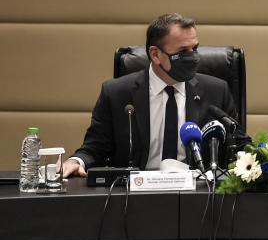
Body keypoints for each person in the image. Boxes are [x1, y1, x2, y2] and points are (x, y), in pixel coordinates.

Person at [63, 13, 238, 178]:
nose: (193, 57)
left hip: (198, 195)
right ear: (155, 54)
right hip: (135, 196)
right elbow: (95, 147)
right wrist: (76, 161)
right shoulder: (116, 93)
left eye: (195, 49)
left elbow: (239, 146)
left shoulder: (216, 91)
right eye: (183, 52)